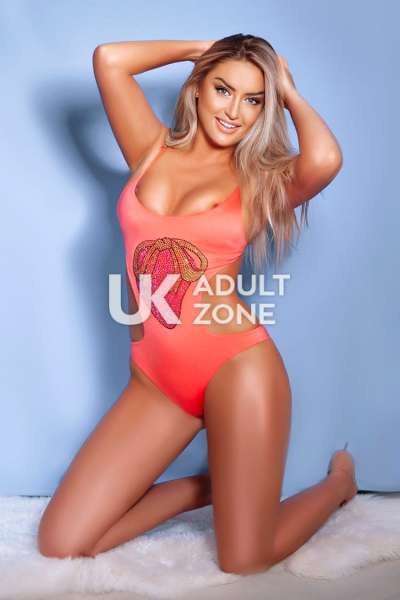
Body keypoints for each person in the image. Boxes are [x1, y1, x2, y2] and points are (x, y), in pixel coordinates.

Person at [37, 35, 357, 575]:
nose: (234, 111)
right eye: (223, 89)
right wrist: (200, 48)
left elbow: (326, 159)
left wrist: (287, 90)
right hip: (156, 382)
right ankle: (210, 488)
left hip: (237, 368)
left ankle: (338, 486)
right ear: (198, 89)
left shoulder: (261, 182)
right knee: (62, 543)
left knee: (245, 560)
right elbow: (109, 60)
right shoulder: (150, 150)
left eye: (253, 100)